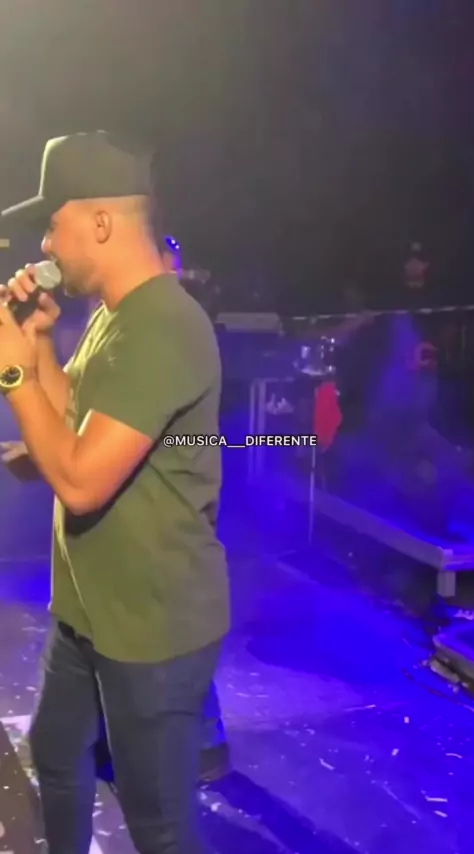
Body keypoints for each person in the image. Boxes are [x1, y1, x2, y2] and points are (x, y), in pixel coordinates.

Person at [0, 130, 230, 854]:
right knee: (56, 754)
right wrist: (38, 342)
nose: (44, 243)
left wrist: (11, 372)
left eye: (53, 223)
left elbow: (80, 479)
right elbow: (73, 423)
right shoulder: (114, 315)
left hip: (152, 627)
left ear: (100, 222)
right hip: (89, 610)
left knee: (159, 825)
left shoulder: (163, 324)